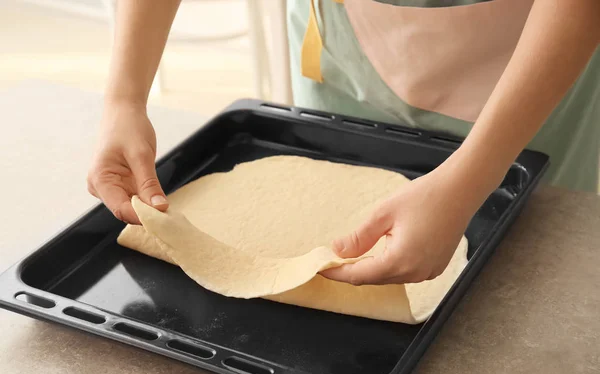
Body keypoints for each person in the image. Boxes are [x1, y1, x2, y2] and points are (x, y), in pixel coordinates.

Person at [88, 0, 599, 286]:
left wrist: (473, 180)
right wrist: (125, 99)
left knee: (525, 275)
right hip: (346, 44)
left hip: (531, 63)